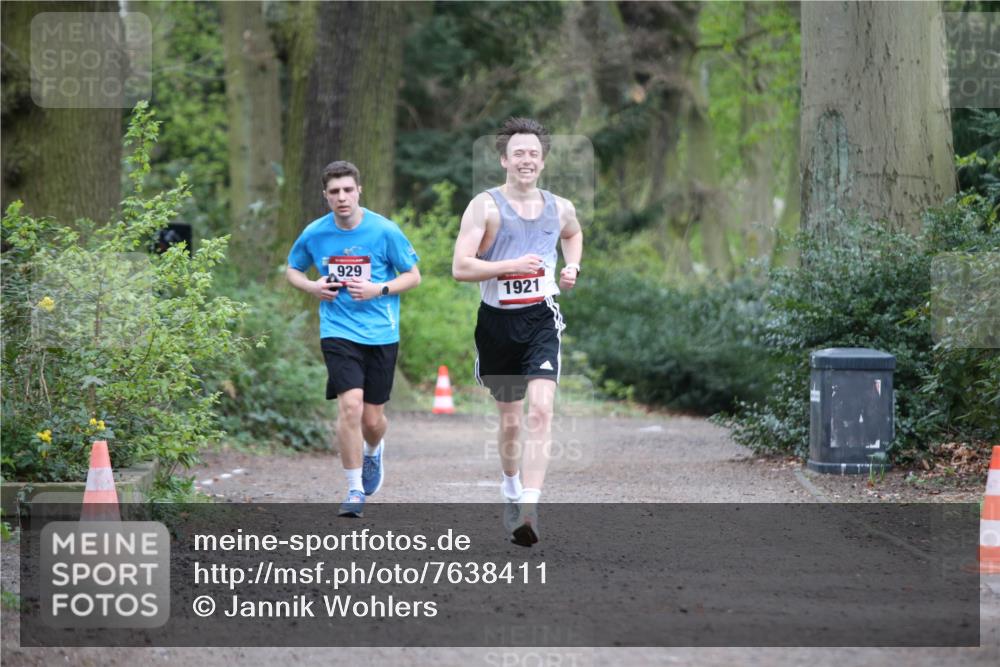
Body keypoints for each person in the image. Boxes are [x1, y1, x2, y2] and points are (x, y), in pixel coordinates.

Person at [452, 118, 583, 546]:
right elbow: (460, 268)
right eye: (519, 153)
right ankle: (510, 486)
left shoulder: (560, 206)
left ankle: (529, 508)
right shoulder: (484, 206)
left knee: (541, 412)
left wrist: (571, 265)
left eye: (534, 153)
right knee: (510, 423)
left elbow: (573, 233)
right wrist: (509, 266)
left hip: (541, 318)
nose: (526, 160)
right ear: (504, 159)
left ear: (543, 161)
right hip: (496, 324)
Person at [286, 161, 420, 518]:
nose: (342, 197)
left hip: (380, 332)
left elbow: (413, 275)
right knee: (350, 406)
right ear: (325, 197)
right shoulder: (315, 233)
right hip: (338, 330)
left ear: (359, 190)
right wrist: (313, 286)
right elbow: (293, 268)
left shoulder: (385, 231)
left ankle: (373, 452)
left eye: (347, 190)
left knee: (373, 421)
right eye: (334, 192)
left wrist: (380, 288)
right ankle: (354, 488)